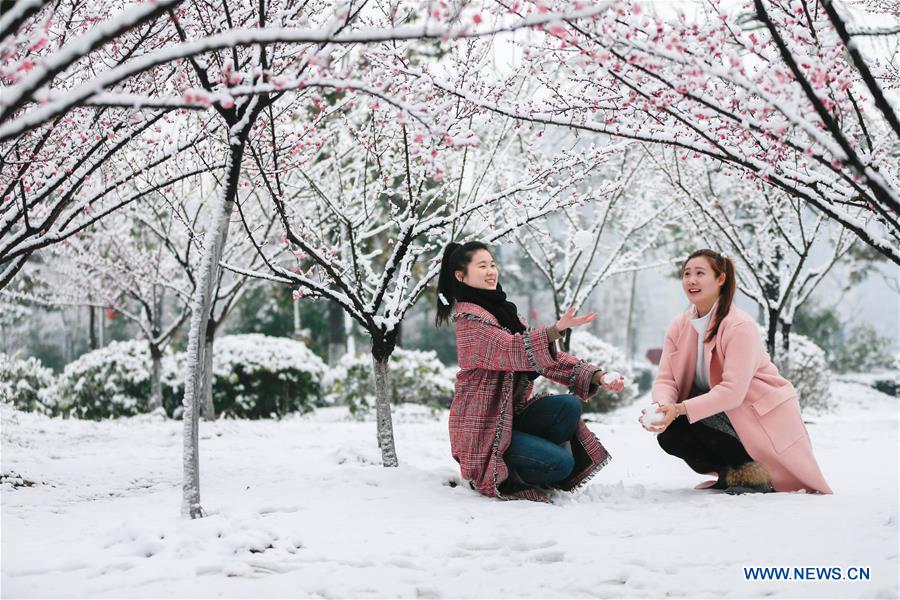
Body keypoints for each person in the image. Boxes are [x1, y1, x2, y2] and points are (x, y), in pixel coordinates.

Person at [436, 241, 625, 501]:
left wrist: (598, 376)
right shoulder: (469, 323)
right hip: (485, 435)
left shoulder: (505, 314)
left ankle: (533, 459)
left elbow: (547, 359)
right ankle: (504, 473)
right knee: (561, 465)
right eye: (482, 266)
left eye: (493, 264)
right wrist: (554, 331)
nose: (491, 271)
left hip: (508, 421)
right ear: (461, 275)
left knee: (568, 406)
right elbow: (513, 351)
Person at [642, 249, 831, 494]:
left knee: (692, 415)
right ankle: (730, 473)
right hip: (720, 413)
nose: (691, 280)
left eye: (700, 273)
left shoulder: (739, 325)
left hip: (755, 412)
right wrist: (663, 408)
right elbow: (666, 378)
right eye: (686, 274)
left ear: (720, 279)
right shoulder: (679, 325)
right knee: (671, 434)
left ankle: (755, 475)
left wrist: (680, 409)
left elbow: (733, 392)